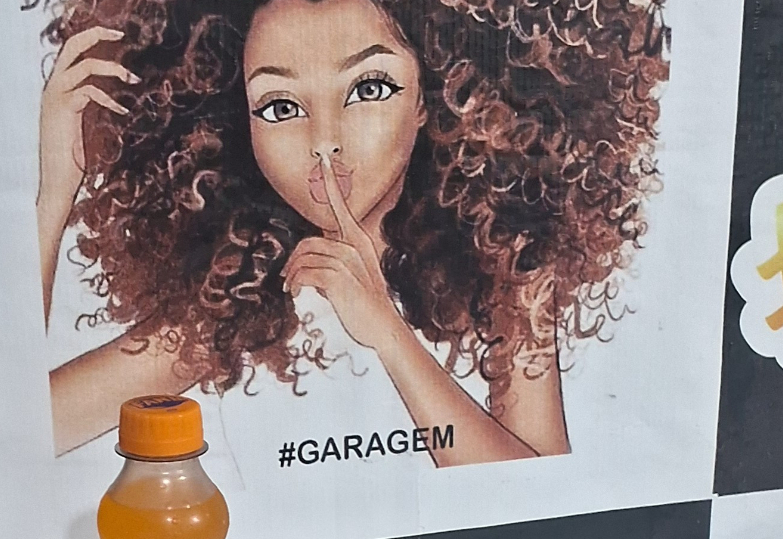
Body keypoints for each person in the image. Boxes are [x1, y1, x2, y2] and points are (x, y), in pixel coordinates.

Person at [35, 0, 669, 464]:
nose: (324, 141)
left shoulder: (512, 276)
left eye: (368, 88)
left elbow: (539, 503)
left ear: (435, 96)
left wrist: (387, 333)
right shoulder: (233, 307)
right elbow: (24, 432)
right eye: (281, 106)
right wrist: (53, 196)